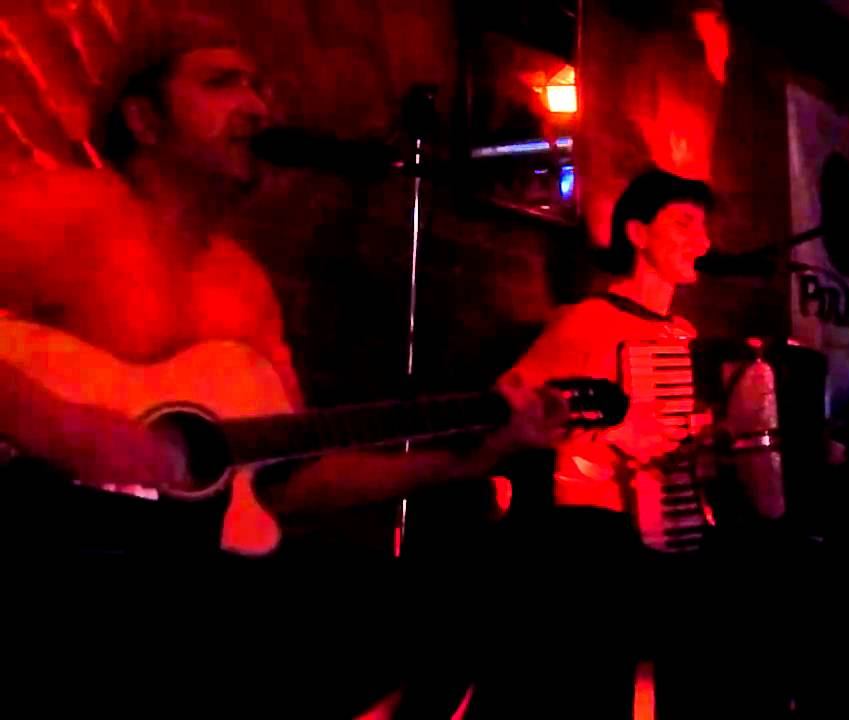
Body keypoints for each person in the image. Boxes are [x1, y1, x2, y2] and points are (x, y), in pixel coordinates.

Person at [0, 15, 569, 557]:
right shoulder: (69, 209)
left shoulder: (243, 282)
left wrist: (473, 459)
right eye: (221, 83)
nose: (256, 108)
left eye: (256, 87)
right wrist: (55, 425)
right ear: (144, 119)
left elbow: (291, 484)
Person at [453, 169, 793, 720]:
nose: (702, 241)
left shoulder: (683, 334)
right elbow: (505, 410)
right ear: (637, 233)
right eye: (684, 224)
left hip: (666, 540)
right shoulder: (586, 322)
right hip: (592, 548)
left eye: (703, 228)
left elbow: (678, 439)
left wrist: (711, 442)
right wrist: (611, 436)